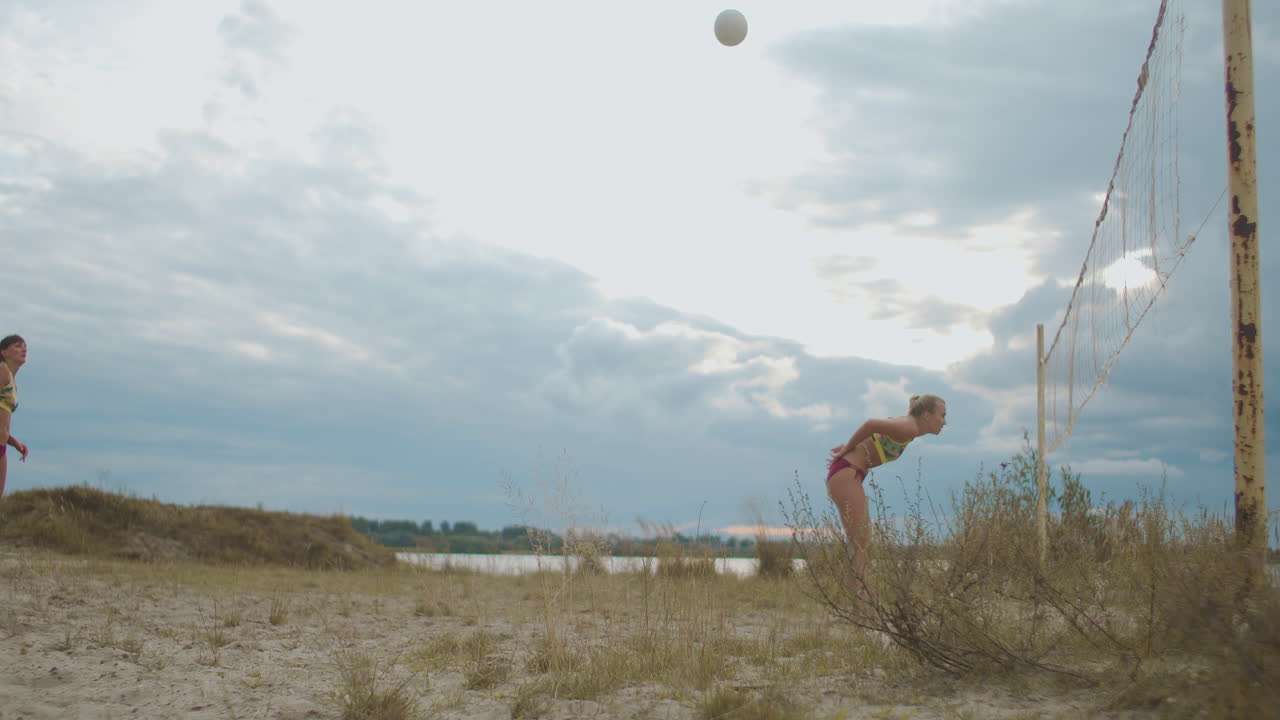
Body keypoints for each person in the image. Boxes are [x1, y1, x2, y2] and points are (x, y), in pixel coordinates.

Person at [825, 393, 947, 598]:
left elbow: (874, 434)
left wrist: (852, 447)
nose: (944, 421)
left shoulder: (909, 426)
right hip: (847, 472)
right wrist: (847, 448)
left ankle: (859, 606)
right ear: (927, 415)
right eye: (942, 415)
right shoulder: (909, 427)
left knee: (860, 545)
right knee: (861, 546)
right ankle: (861, 609)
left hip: (850, 473)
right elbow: (871, 424)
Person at [1, 334, 30, 499]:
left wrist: (14, 442)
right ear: (4, 352)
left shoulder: (12, 381)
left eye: (25, 346)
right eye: (17, 346)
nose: (23, 349)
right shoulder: (2, 371)